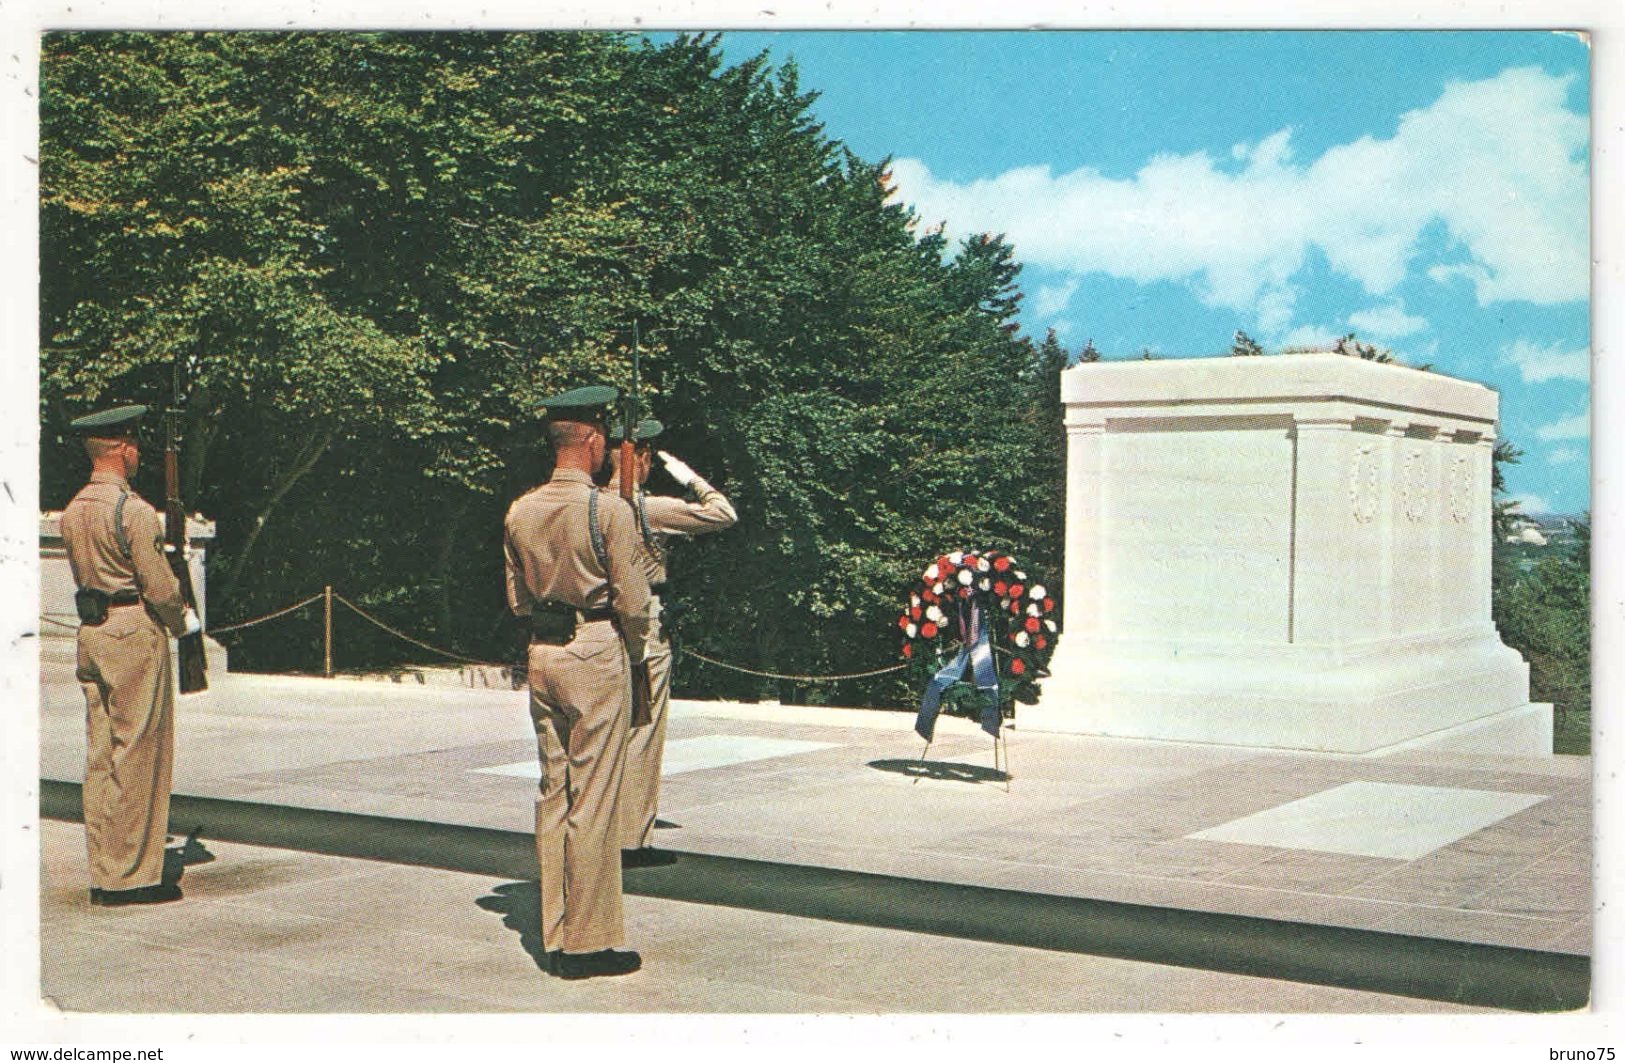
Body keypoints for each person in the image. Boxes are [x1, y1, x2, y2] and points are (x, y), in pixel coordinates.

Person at [503, 385, 652, 980]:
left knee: (554, 793)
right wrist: (636, 654)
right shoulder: (608, 511)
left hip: (542, 652)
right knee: (594, 801)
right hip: (595, 650)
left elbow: (515, 598)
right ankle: (589, 942)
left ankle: (556, 930)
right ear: (590, 440)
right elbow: (635, 604)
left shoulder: (520, 510)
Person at [59, 404, 200, 907]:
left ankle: (106, 869)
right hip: (133, 633)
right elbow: (159, 587)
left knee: (102, 757)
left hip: (92, 631)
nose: (138, 452)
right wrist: (182, 622)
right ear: (121, 448)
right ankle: (133, 877)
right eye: (134, 444)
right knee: (139, 754)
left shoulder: (75, 509)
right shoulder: (133, 512)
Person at [606, 418, 736, 865]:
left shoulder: (588, 506)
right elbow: (723, 513)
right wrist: (685, 474)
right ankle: (631, 839)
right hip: (645, 626)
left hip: (598, 627)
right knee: (642, 730)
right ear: (638, 458)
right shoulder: (647, 509)